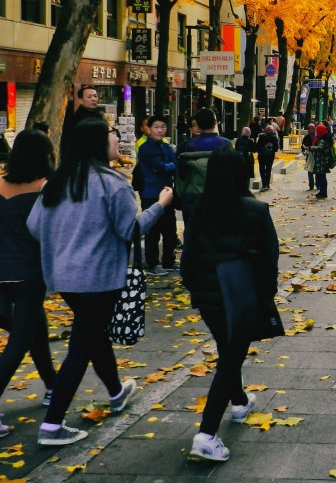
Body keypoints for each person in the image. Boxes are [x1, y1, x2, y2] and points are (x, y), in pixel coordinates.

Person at [27, 118, 171, 446]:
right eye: (111, 136)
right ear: (96, 143)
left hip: (63, 277)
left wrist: (65, 237)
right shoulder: (112, 183)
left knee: (92, 335)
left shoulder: (57, 181)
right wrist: (160, 207)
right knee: (81, 346)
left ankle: (117, 392)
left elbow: (34, 226)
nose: (117, 141)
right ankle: (52, 425)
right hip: (99, 278)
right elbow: (130, 231)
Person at [179, 147, 278, 462]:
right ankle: (206, 434)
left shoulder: (198, 211)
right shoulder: (256, 212)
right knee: (231, 357)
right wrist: (264, 297)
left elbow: (187, 262)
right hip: (243, 298)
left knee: (228, 350)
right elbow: (269, 262)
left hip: (208, 299)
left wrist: (199, 289)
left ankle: (239, 402)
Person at [0, 130, 57, 438]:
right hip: (28, 273)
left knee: (37, 328)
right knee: (20, 340)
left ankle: (52, 386)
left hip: (1, 271)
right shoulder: (44, 188)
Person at [136, 115, 178, 276]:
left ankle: (169, 261)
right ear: (149, 129)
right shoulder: (146, 148)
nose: (160, 130)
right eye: (156, 127)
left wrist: (168, 166)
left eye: (162, 127)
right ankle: (152, 264)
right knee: (152, 231)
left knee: (170, 229)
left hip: (167, 192)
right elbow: (160, 167)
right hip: (151, 192)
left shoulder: (167, 147)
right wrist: (168, 166)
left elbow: (174, 165)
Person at [175, 108, 232, 220]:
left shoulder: (187, 146)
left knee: (192, 235)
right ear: (215, 122)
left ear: (199, 124)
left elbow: (181, 176)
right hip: (220, 198)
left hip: (192, 199)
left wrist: (180, 195)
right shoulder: (226, 144)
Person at [60, 85, 103, 159]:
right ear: (81, 100)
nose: (93, 99)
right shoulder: (77, 119)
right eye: (89, 97)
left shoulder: (98, 115)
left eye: (95, 96)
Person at [310, 123, 334, 199]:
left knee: (321, 177)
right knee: (319, 177)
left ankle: (323, 192)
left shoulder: (322, 140)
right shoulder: (323, 138)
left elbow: (320, 147)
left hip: (321, 161)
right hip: (320, 161)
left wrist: (311, 148)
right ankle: (321, 191)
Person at [255, 125, 279, 192]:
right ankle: (267, 185)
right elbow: (276, 148)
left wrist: (260, 152)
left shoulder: (261, 137)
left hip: (262, 156)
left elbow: (257, 146)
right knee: (268, 170)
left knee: (262, 170)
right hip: (270, 156)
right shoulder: (274, 138)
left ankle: (264, 184)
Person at [301, 123, 317, 190]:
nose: (311, 130)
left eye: (312, 128)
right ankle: (311, 185)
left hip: (316, 154)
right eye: (309, 128)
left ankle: (317, 183)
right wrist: (304, 149)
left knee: (317, 170)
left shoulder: (317, 136)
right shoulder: (306, 137)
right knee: (310, 170)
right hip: (309, 154)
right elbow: (303, 145)